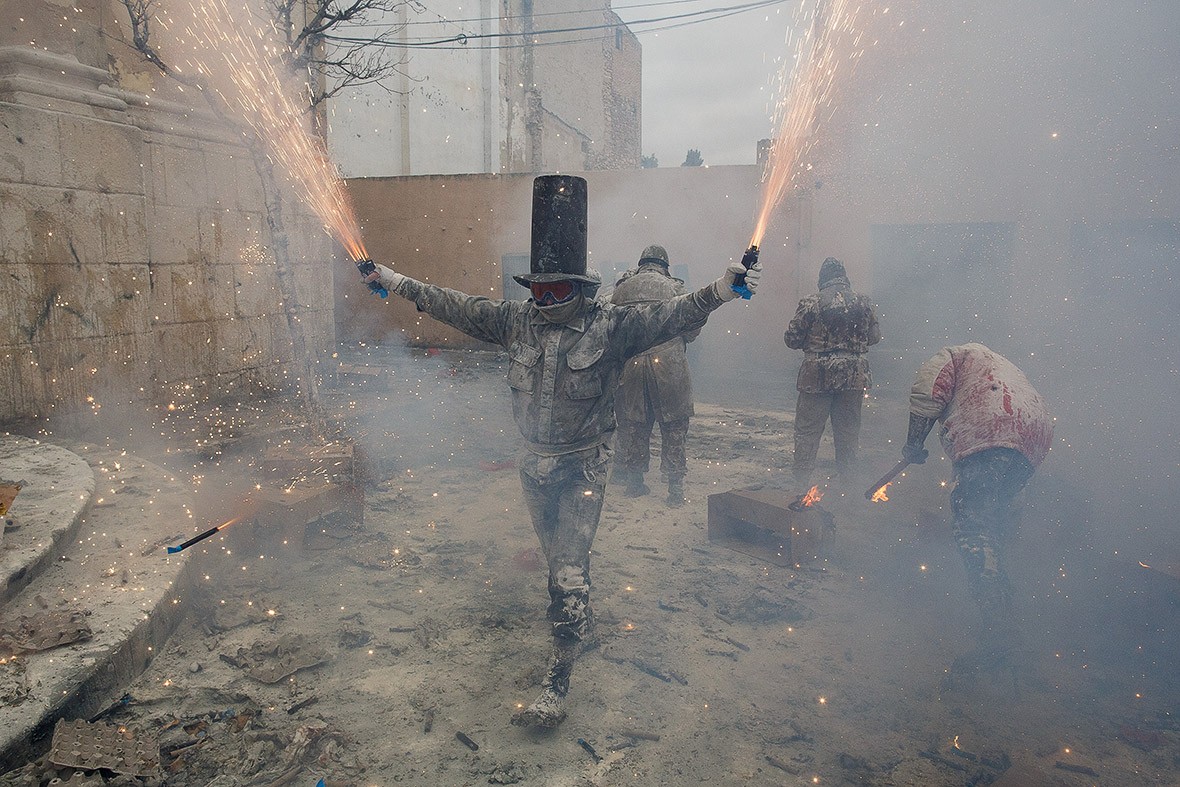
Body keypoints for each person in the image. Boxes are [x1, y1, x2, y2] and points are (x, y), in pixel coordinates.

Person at [362, 176, 761, 728]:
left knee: (567, 571)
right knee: (557, 560)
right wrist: (391, 280)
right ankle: (578, 619)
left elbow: (674, 314)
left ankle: (557, 680)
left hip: (583, 467)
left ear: (579, 287)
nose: (546, 301)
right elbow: (452, 304)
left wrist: (722, 288)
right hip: (534, 468)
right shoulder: (514, 321)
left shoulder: (612, 327)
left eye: (557, 292)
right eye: (538, 291)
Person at [902, 343, 1053, 679]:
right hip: (1035, 433)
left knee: (972, 529)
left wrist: (913, 444)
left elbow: (928, 395)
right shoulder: (995, 365)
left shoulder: (948, 357)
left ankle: (1000, 636)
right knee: (991, 524)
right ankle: (1005, 608)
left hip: (994, 425)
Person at [609, 245, 699, 507]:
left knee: (635, 424)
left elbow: (610, 329)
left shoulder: (621, 289)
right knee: (674, 426)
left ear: (641, 264)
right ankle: (675, 489)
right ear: (665, 266)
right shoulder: (675, 288)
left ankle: (635, 483)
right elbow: (692, 329)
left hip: (632, 365)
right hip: (669, 364)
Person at [784, 257, 881, 481]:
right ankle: (849, 485)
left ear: (822, 278)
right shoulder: (864, 302)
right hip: (854, 376)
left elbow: (792, 339)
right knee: (848, 433)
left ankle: (801, 483)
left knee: (807, 432)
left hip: (816, 376)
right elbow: (874, 337)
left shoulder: (811, 302)